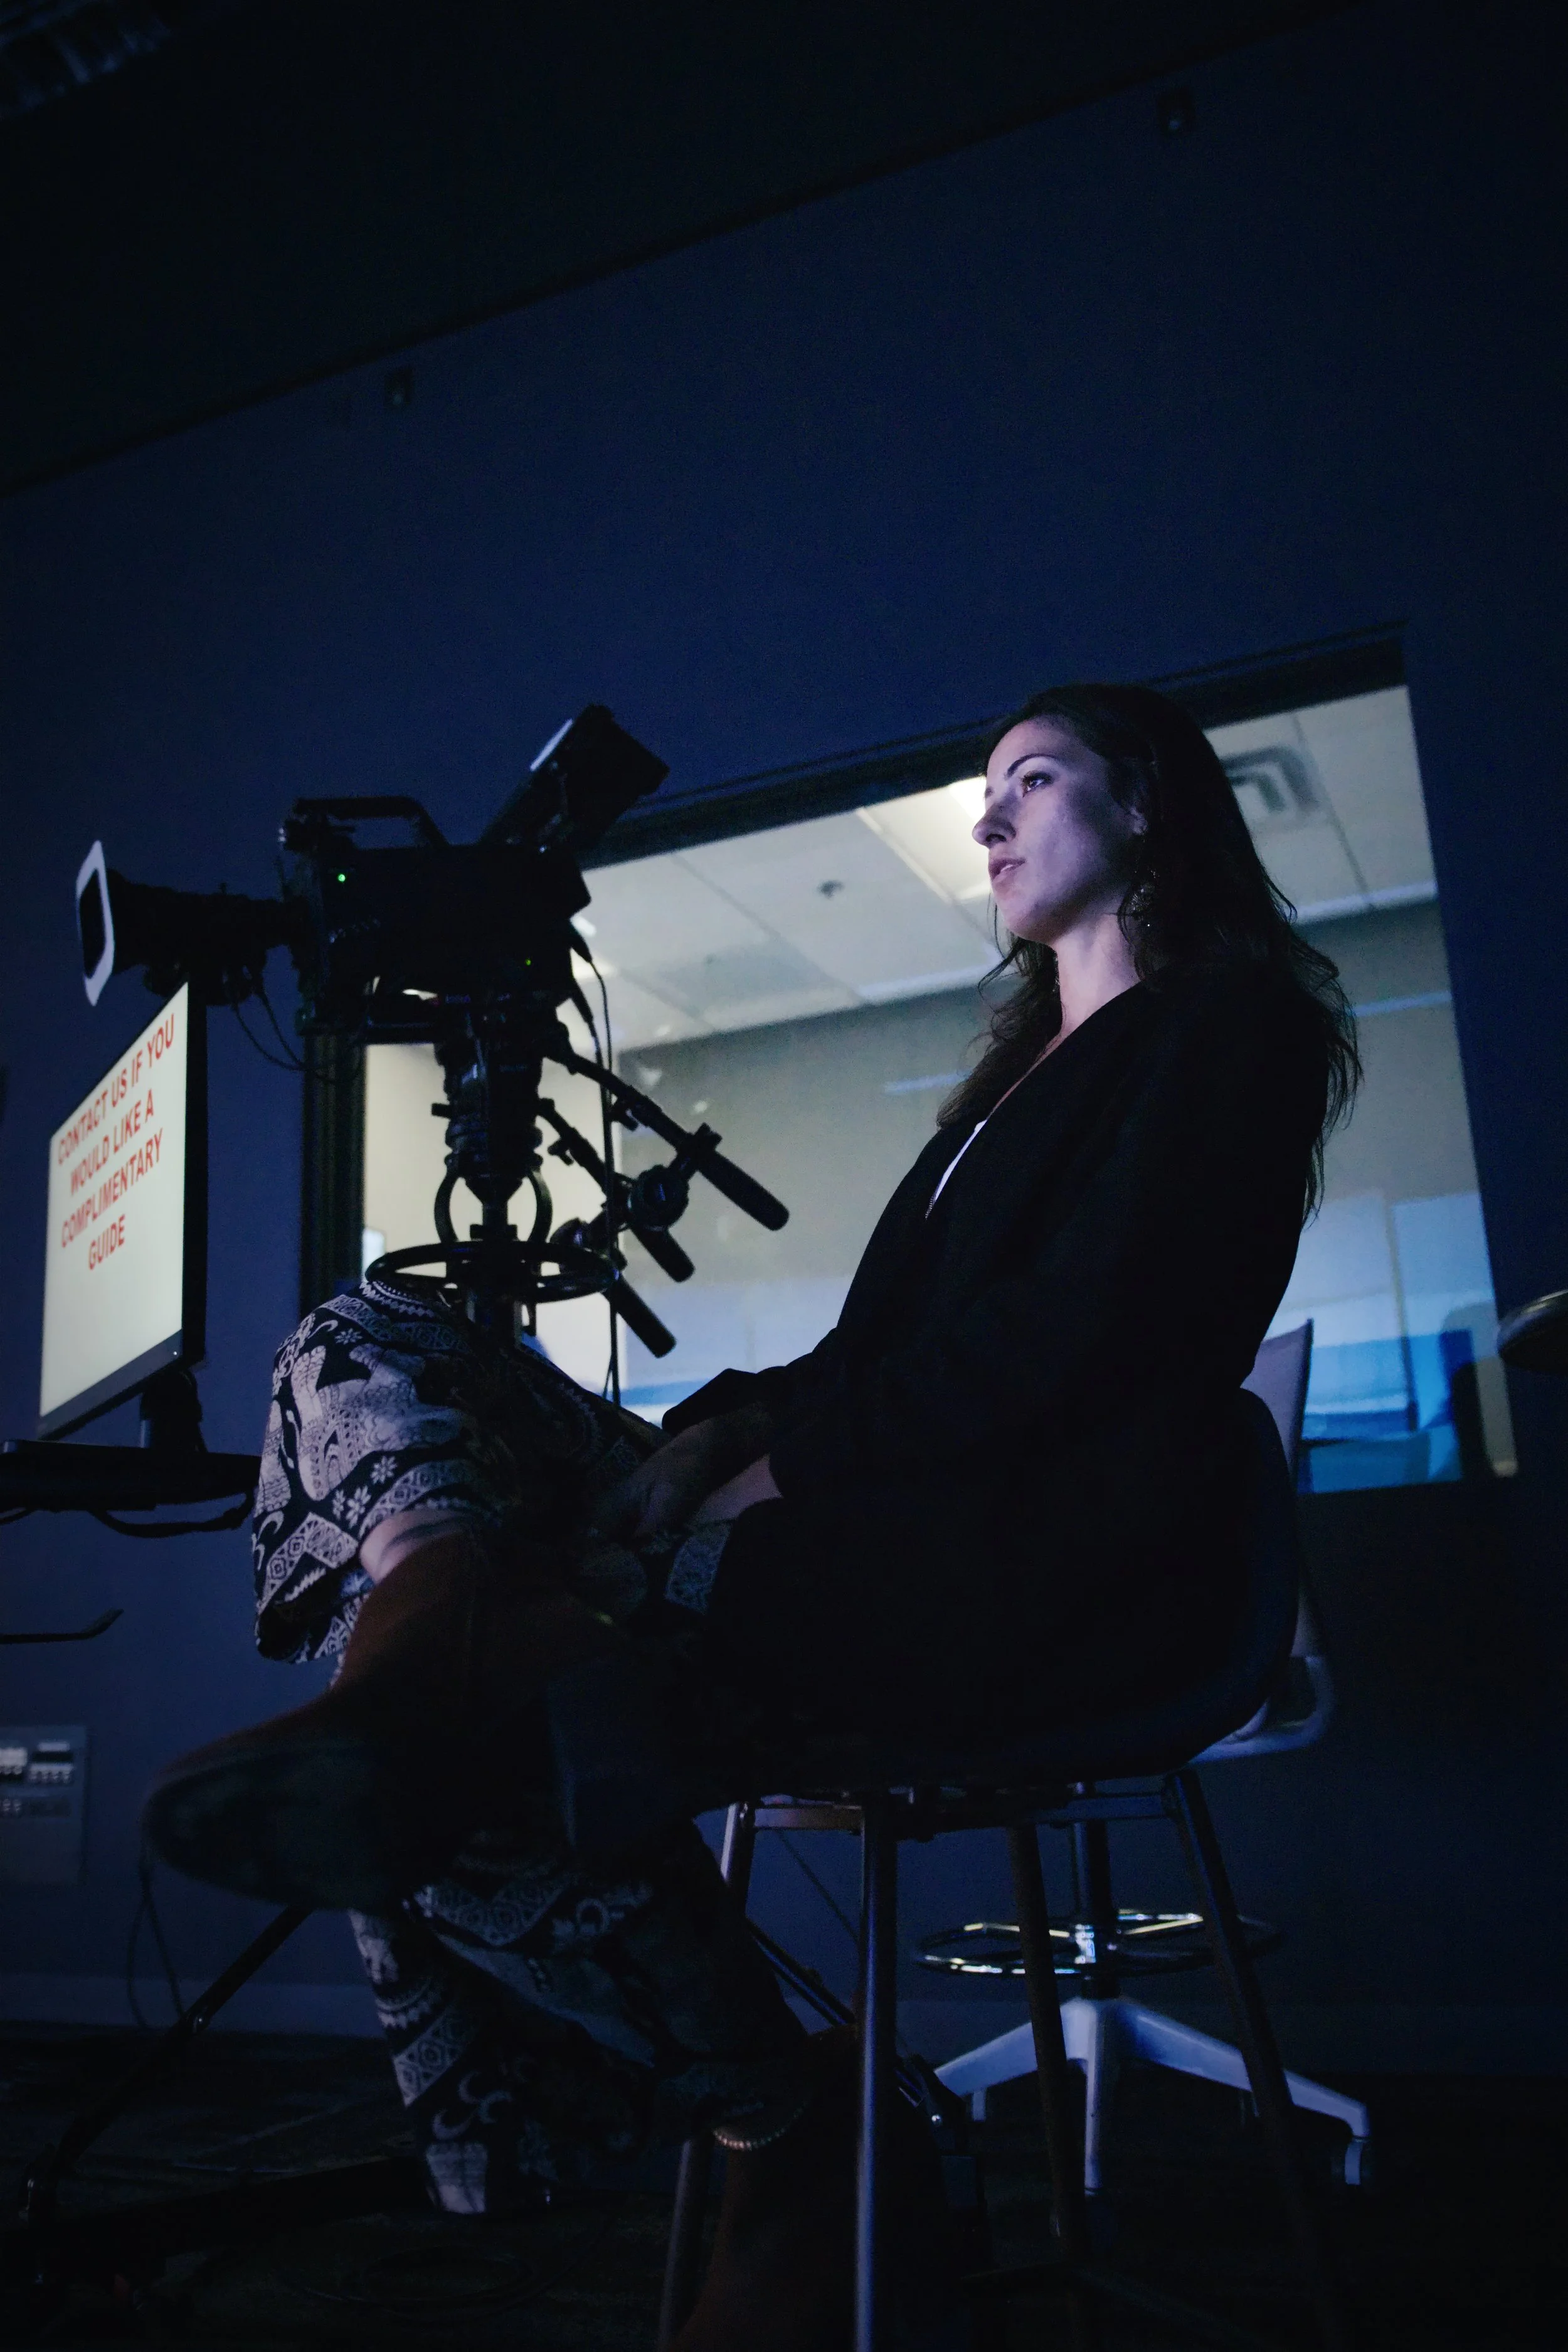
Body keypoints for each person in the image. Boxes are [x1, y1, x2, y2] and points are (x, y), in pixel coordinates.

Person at [146, 682, 1357, 2349]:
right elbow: (866, 1359)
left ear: (1143, 803)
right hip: (849, 1514)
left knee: (458, 1764)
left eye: (1031, 780)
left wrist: (775, 1471)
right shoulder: (1000, 1090)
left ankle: (776, 2108)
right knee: (363, 1342)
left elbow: (1077, 1342)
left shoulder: (1231, 1026)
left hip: (1007, 1564)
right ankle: (438, 1632)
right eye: (982, 792)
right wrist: (703, 1436)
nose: (989, 819)